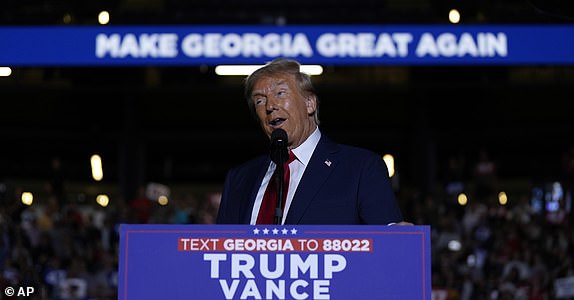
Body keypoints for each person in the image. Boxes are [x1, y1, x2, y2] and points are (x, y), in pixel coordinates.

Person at [216, 58, 408, 225]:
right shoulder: (239, 179)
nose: (270, 106)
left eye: (280, 93)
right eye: (259, 101)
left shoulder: (361, 168)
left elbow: (388, 248)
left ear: (310, 103)